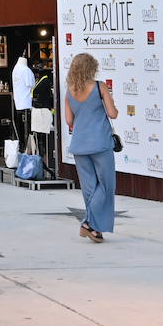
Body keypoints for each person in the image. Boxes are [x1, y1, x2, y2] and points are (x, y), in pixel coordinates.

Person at [62, 52, 118, 244]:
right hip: (100, 143)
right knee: (106, 185)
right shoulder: (99, 86)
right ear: (91, 67)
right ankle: (88, 223)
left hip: (79, 144)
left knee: (90, 188)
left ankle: (95, 230)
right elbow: (112, 113)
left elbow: (69, 121)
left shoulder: (69, 91)